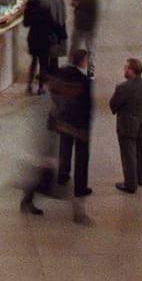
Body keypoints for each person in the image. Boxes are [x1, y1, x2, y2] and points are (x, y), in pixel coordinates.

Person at [47, 48, 93, 221]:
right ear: (82, 62)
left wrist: (59, 108)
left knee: (64, 148)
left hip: (64, 121)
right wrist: (86, 127)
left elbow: (52, 88)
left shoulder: (62, 72)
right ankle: (80, 187)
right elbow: (87, 106)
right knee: (81, 157)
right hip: (79, 125)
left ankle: (63, 175)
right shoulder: (84, 81)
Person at [109, 57, 142, 194]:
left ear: (132, 71)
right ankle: (140, 178)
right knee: (141, 151)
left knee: (129, 154)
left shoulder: (123, 87)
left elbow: (113, 106)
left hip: (127, 125)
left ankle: (130, 184)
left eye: (126, 67)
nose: (124, 70)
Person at [22, 0, 53, 95]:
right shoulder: (45, 9)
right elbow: (51, 23)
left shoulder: (28, 10)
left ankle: (29, 86)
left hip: (33, 38)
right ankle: (41, 87)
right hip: (44, 39)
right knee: (43, 64)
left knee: (33, 61)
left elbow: (25, 24)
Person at [70, 0, 99, 71]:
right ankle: (71, 66)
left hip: (88, 29)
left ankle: (91, 69)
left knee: (90, 49)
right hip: (78, 25)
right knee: (74, 47)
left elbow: (94, 15)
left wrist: (92, 29)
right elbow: (74, 0)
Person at [40, 0, 68, 73]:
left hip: (49, 31)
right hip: (58, 31)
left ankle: (46, 73)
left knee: (47, 53)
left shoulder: (45, 1)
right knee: (54, 55)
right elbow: (63, 16)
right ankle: (54, 71)